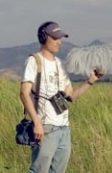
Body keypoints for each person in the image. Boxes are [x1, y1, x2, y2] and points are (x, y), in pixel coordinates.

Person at [20, 21, 99, 173]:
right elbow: (24, 93)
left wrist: (90, 81)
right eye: (55, 38)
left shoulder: (59, 64)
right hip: (46, 128)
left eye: (60, 38)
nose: (59, 42)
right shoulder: (34, 61)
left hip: (64, 129)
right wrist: (36, 122)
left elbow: (71, 96)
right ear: (44, 38)